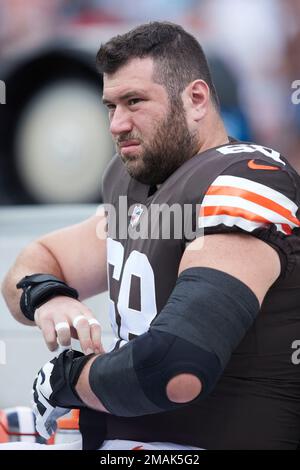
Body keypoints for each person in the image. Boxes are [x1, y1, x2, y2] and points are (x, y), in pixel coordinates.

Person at [2, 21, 300, 451]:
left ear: (196, 99)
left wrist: (69, 379)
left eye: (134, 102)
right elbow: (37, 260)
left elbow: (177, 370)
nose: (116, 124)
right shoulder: (139, 183)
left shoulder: (245, 182)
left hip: (196, 442)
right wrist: (50, 296)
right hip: (122, 429)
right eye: (110, 106)